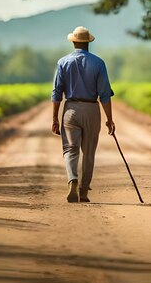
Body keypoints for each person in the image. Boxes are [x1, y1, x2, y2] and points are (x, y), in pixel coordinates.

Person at [51, 26, 115, 203]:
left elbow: (57, 93)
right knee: (89, 152)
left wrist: (55, 118)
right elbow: (104, 95)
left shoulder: (63, 62)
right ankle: (84, 191)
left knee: (70, 149)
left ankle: (72, 179)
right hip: (91, 109)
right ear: (88, 43)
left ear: (73, 42)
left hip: (70, 109)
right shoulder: (99, 63)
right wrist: (109, 119)